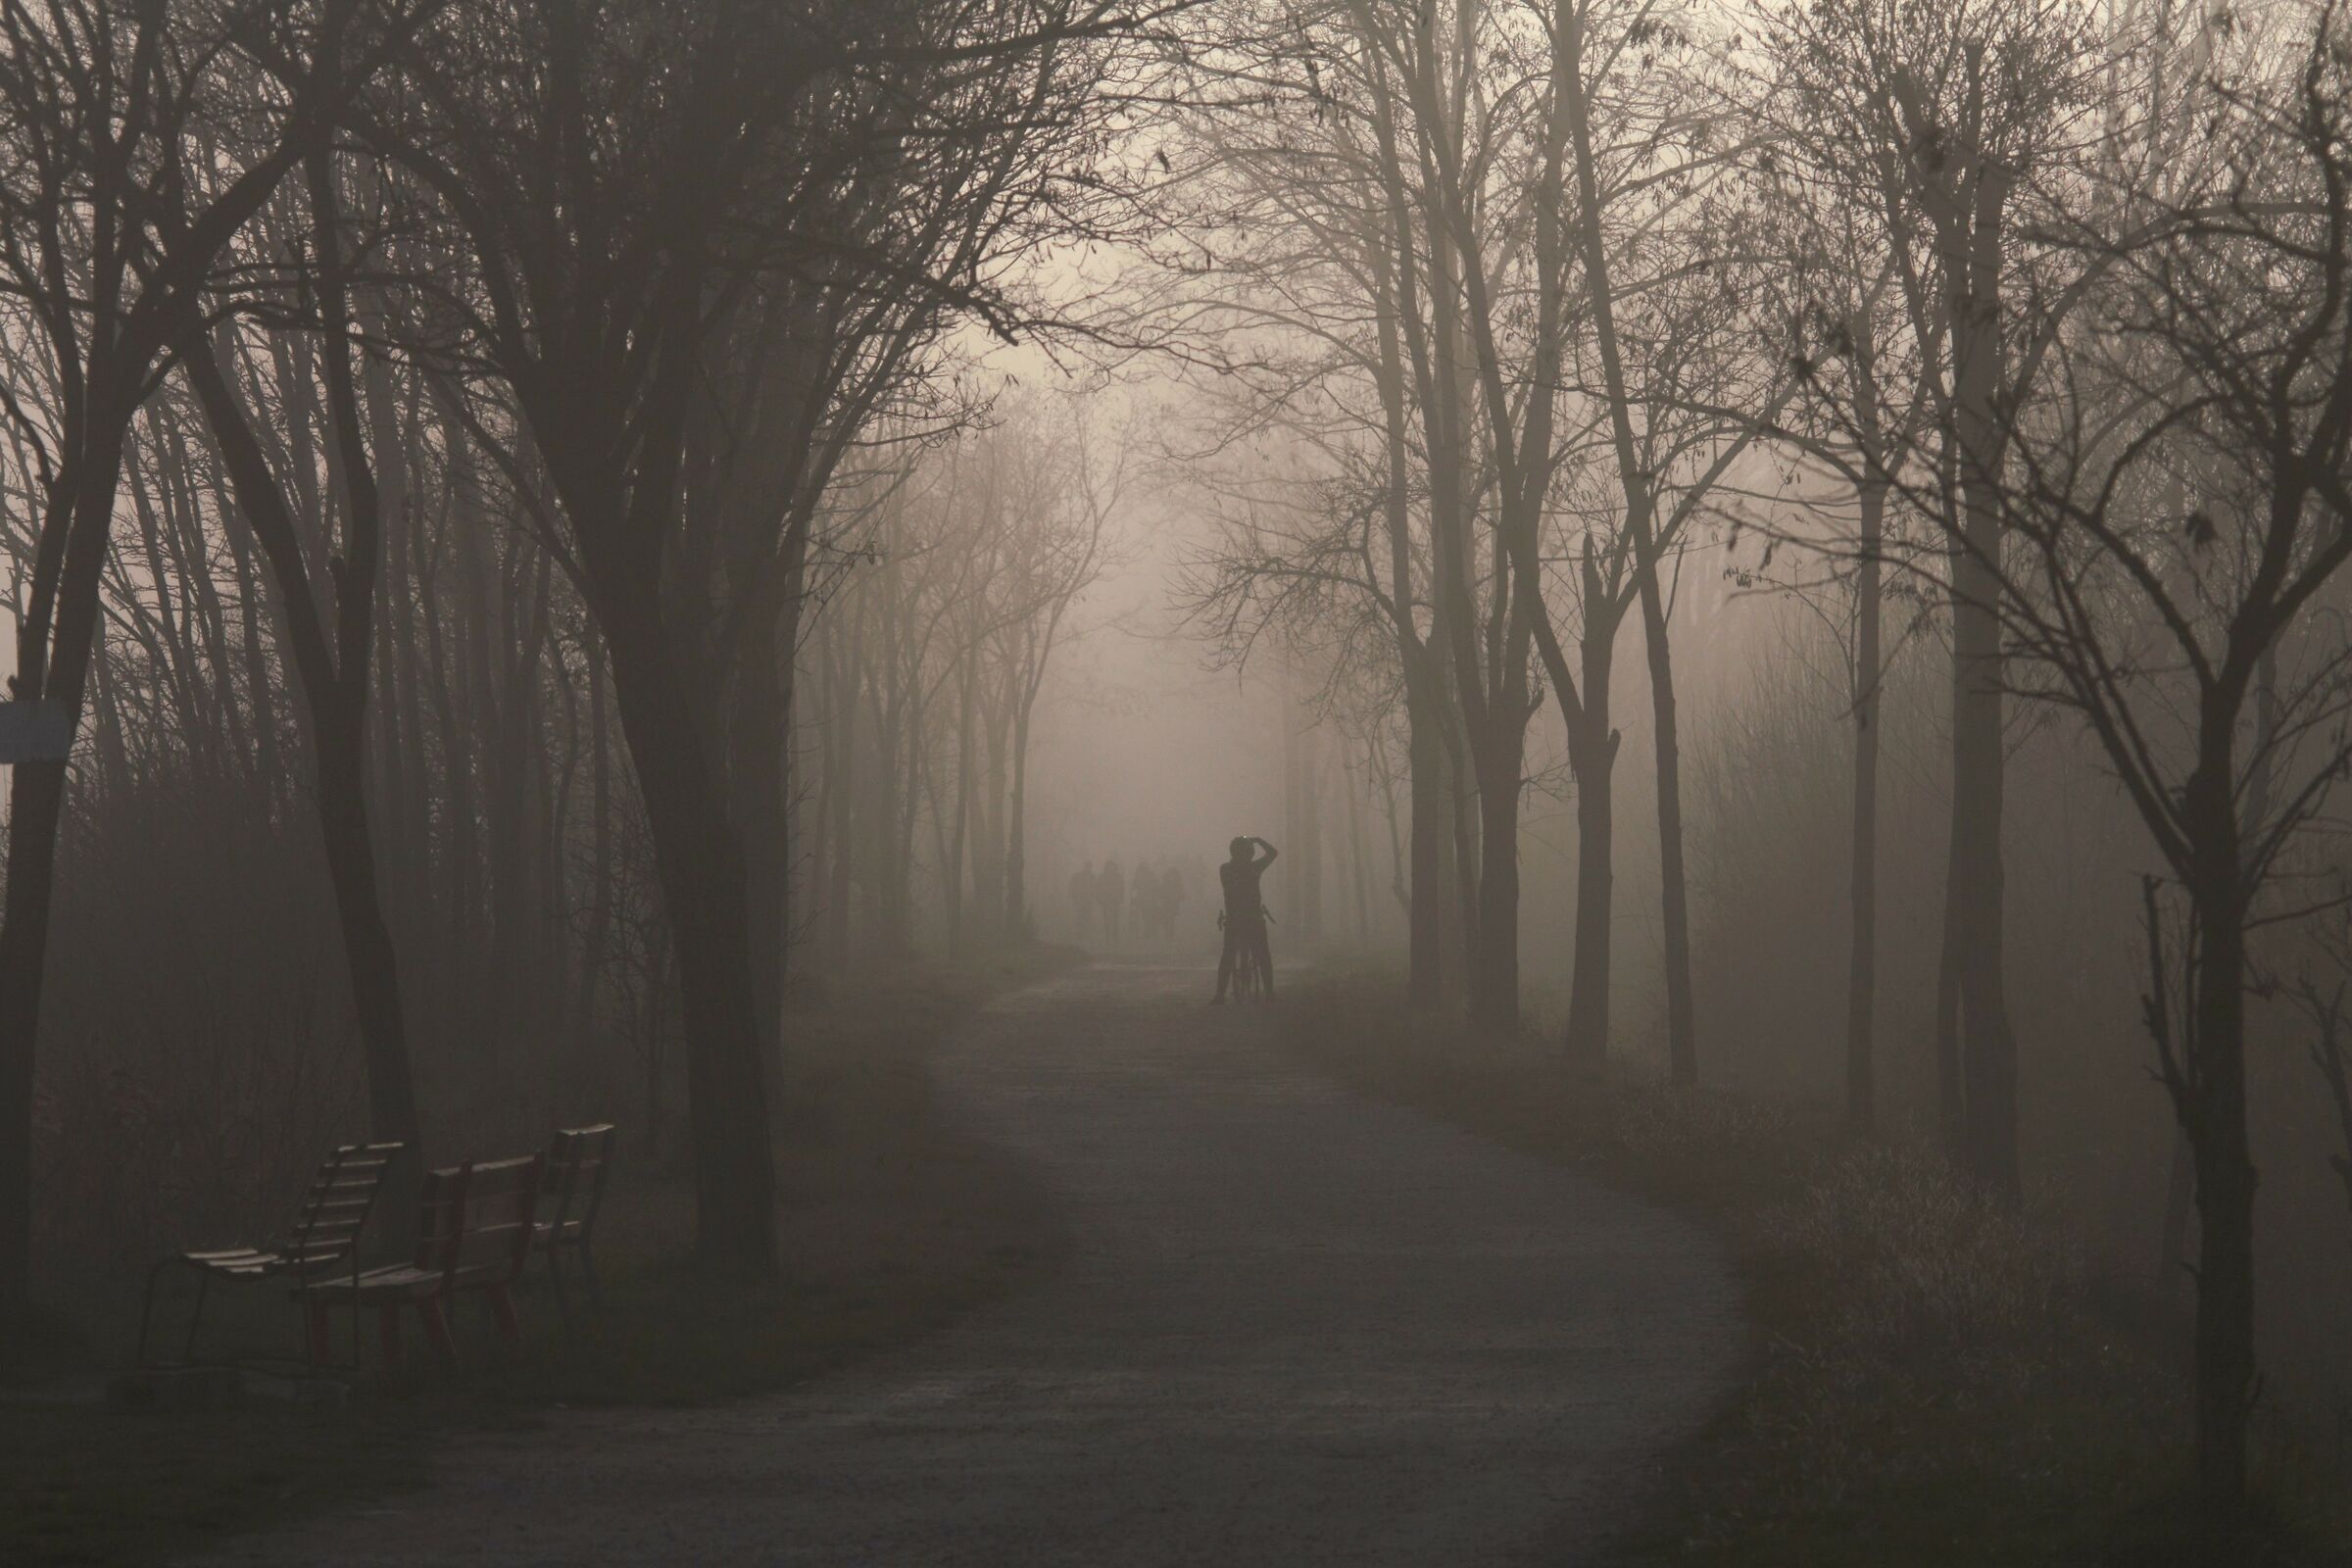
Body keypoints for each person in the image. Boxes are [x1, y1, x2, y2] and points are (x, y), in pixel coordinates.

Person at [1211, 835, 1278, 1003]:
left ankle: (1219, 996)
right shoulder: (1255, 867)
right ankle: (1270, 993)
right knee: (1263, 956)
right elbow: (1273, 853)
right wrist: (1259, 840)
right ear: (1250, 853)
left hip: (1234, 919)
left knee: (1227, 956)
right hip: (1254, 918)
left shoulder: (1225, 869)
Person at [1099, 856, 1125, 947]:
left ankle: (1115, 937)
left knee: (1115, 920)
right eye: (1109, 866)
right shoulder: (1102, 877)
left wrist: (1120, 898)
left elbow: (1122, 889)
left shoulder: (1118, 877)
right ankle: (1108, 937)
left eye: (1112, 866)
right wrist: (1100, 900)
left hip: (1115, 901)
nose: (1111, 868)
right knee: (1106, 920)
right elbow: (1098, 889)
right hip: (1106, 902)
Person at [1067, 860, 1097, 944]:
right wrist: (1073, 897)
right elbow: (1072, 886)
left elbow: (1095, 888)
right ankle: (1079, 934)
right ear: (1085, 867)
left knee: (1087, 918)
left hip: (1088, 901)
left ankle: (1085, 935)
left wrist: (1094, 896)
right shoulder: (1077, 876)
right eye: (1087, 866)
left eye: (1089, 867)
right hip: (1079, 900)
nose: (1088, 868)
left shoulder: (1092, 877)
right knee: (1080, 917)